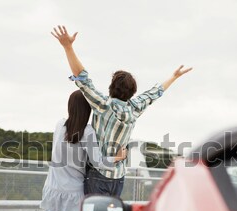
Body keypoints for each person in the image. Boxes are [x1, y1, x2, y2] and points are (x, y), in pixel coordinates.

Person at [51, 25, 192, 197]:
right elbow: (155, 92)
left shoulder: (103, 105)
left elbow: (83, 79)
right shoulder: (135, 108)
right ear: (132, 92)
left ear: (111, 88)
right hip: (118, 177)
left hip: (98, 174)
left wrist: (68, 47)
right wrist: (174, 77)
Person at [40, 90, 127, 211]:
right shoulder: (88, 132)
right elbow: (97, 162)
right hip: (74, 195)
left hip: (53, 190)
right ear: (88, 109)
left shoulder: (59, 124)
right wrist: (117, 157)